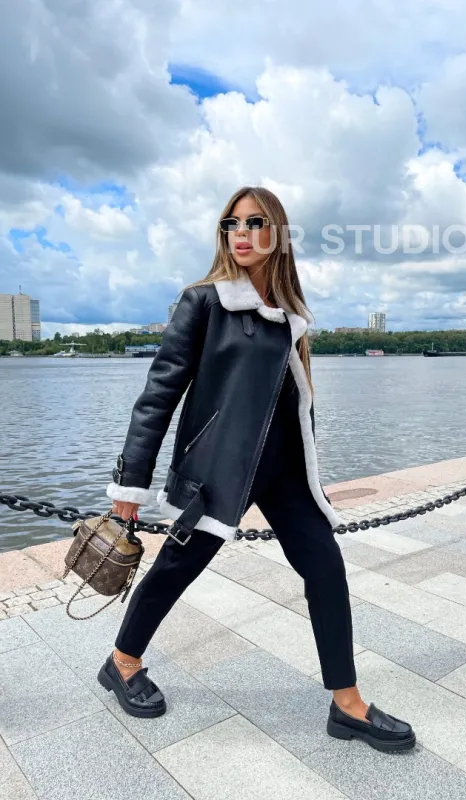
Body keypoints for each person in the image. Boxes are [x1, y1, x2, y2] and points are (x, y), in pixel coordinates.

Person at [98, 185, 416, 753]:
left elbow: (292, 404)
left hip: (286, 473)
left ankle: (347, 704)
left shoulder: (289, 316)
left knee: (325, 569)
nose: (241, 233)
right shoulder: (204, 302)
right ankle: (122, 662)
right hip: (219, 470)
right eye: (232, 223)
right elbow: (158, 395)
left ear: (279, 234)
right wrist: (131, 483)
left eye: (255, 222)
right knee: (178, 566)